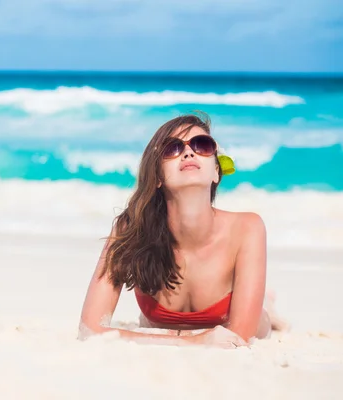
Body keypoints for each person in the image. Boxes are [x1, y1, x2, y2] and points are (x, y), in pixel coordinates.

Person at [78, 113, 285, 349]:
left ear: (216, 171)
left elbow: (240, 338)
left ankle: (267, 304)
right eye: (172, 149)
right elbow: (89, 330)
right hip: (174, 328)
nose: (188, 153)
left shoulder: (247, 228)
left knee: (264, 316)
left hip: (256, 322)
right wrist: (196, 340)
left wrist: (177, 339)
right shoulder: (131, 229)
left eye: (202, 145)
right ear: (156, 176)